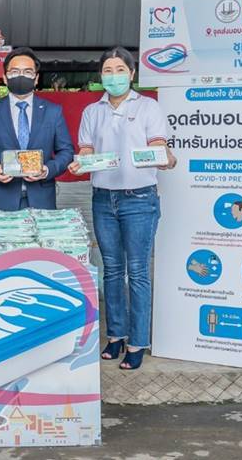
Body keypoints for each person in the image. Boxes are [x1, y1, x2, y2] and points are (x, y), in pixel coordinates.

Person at [68, 46, 177, 371]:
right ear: (100, 75)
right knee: (112, 270)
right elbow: (86, 150)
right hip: (103, 199)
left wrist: (165, 158)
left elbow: (159, 147)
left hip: (139, 199)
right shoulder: (92, 111)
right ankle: (115, 334)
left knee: (138, 271)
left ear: (131, 74)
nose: (113, 76)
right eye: (107, 70)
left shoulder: (148, 107)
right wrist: (80, 163)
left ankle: (138, 341)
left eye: (119, 70)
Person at [0, 47, 74, 210]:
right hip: (0, 200)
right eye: (14, 71)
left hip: (41, 200)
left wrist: (47, 170)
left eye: (28, 72)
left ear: (36, 78)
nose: (21, 76)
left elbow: (66, 151)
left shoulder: (53, 112)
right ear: (5, 77)